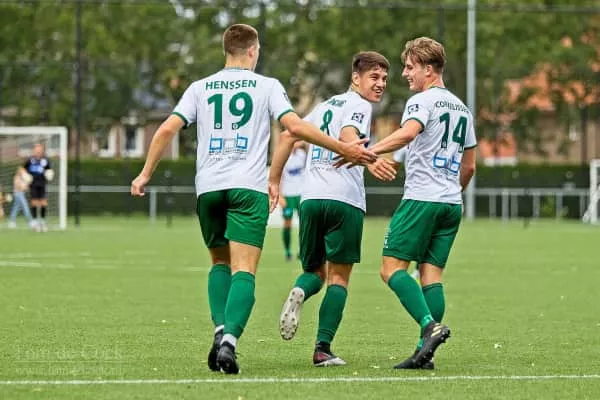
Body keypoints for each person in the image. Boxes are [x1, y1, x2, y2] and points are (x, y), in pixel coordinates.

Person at [130, 24, 377, 375]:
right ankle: (229, 342)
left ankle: (220, 330)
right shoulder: (268, 86)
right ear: (252, 51)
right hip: (248, 188)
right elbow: (294, 127)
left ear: (226, 50)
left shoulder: (200, 87)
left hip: (209, 187)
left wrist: (144, 174)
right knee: (244, 270)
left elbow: (167, 128)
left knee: (219, 263)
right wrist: (342, 147)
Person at [352, 37, 477, 369]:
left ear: (429, 69)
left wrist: (367, 151)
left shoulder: (422, 101)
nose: (405, 74)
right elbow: (470, 167)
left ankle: (429, 326)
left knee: (390, 269)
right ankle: (425, 353)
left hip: (422, 199)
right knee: (430, 275)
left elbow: (408, 133)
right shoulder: (463, 110)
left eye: (410, 67)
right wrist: (452, 192)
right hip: (451, 204)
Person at [269, 51, 397, 366]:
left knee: (313, 272)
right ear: (355, 78)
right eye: (374, 77)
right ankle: (322, 349)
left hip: (311, 199)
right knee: (338, 278)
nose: (380, 84)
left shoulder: (323, 107)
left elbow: (287, 135)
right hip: (344, 199)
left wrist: (273, 179)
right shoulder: (360, 105)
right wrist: (369, 158)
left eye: (384, 78)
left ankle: (300, 291)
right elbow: (348, 135)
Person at [279, 140, 307, 261]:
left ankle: (302, 250)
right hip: (288, 194)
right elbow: (279, 176)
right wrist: (280, 196)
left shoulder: (302, 154)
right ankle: (287, 251)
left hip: (301, 194)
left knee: (304, 224)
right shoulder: (283, 155)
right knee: (287, 223)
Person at [23, 143, 54, 232]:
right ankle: (35, 222)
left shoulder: (45, 160)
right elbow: (22, 169)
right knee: (34, 203)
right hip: (33, 185)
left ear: (42, 150)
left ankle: (43, 222)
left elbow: (49, 170)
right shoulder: (30, 160)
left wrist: (50, 174)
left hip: (42, 184)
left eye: (40, 149)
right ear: (34, 150)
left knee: (43, 203)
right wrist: (25, 177)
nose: (38, 151)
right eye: (36, 149)